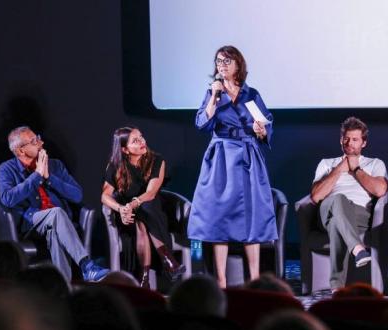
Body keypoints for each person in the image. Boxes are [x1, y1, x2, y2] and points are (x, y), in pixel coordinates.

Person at [188, 45, 278, 289]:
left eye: (227, 61)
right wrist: (214, 99)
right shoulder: (212, 93)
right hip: (222, 159)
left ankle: (256, 280)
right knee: (220, 219)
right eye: (219, 61)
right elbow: (201, 123)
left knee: (253, 218)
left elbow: (267, 123)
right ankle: (222, 281)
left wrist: (262, 131)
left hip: (248, 156)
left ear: (238, 65)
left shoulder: (251, 93)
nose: (222, 65)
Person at [0, 126, 109, 283]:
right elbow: (7, 199)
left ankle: (63, 288)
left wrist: (49, 178)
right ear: (21, 151)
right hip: (32, 222)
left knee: (55, 230)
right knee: (56, 213)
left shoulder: (55, 165)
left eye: (38, 137)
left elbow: (77, 195)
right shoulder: (6, 169)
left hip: (59, 222)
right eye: (34, 141)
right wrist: (36, 176)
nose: (41, 143)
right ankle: (87, 266)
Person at [310, 117, 388, 291]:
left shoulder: (375, 163)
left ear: (364, 143)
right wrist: (339, 170)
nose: (349, 143)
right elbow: (316, 197)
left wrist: (356, 170)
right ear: (340, 140)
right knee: (338, 200)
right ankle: (358, 249)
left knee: (337, 223)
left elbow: (380, 190)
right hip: (327, 210)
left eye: (355, 139)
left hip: (359, 214)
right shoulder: (327, 164)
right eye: (346, 138)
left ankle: (337, 288)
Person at [101, 127, 185, 288]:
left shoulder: (157, 160)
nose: (142, 142)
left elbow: (151, 193)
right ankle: (168, 260)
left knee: (145, 211)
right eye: (135, 141)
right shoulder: (115, 166)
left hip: (154, 212)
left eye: (141, 137)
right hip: (128, 218)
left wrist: (132, 204)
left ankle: (144, 279)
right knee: (140, 219)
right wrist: (121, 209)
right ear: (125, 150)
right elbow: (104, 196)